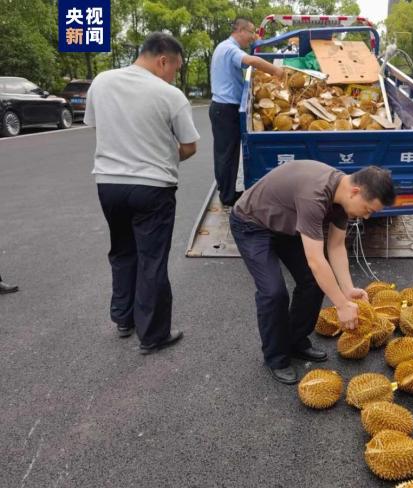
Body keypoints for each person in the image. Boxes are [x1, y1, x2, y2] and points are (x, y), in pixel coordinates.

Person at [84, 32, 200, 354]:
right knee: (152, 260)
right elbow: (189, 147)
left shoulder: (102, 81)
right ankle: (153, 335)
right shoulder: (169, 94)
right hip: (152, 188)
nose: (174, 74)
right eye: (175, 67)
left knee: (122, 251)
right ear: (163, 60)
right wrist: (161, 155)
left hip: (108, 184)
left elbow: (97, 125)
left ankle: (123, 318)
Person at [229, 162, 395, 384]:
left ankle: (295, 340)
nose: (366, 217)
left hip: (285, 225)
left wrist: (347, 289)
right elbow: (316, 261)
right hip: (251, 223)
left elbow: (336, 247)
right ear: (356, 192)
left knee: (312, 283)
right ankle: (276, 357)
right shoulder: (315, 195)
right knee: (273, 292)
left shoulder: (343, 200)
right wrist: (341, 305)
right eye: (368, 210)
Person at [210, 18, 284, 207]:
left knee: (227, 153)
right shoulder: (229, 48)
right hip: (225, 108)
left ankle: (226, 192)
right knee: (227, 154)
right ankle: (227, 197)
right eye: (251, 32)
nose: (253, 37)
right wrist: (276, 70)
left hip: (222, 108)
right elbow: (251, 60)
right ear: (240, 30)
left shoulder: (223, 47)